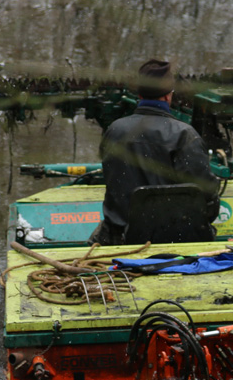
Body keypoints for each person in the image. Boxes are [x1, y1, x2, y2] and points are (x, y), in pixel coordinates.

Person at [88, 59, 219, 246]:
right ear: (168, 96)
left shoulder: (114, 131)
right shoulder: (184, 135)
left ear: (139, 94)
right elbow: (204, 194)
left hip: (120, 240)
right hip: (174, 239)